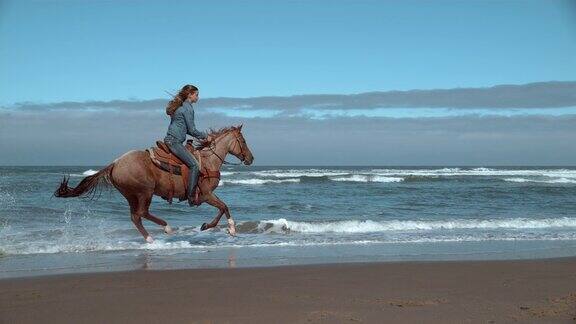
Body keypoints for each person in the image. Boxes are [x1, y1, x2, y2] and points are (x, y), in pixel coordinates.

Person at [164, 84, 210, 206]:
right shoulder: (187, 108)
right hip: (174, 141)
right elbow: (192, 130)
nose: (198, 97)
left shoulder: (180, 107)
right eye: (196, 94)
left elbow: (188, 130)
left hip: (171, 140)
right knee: (194, 165)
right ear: (190, 95)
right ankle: (190, 197)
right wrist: (206, 136)